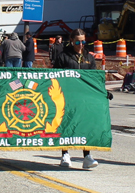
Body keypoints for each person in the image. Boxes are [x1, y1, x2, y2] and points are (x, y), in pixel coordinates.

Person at [53, 28, 99, 169]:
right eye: (78, 41)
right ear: (72, 41)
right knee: (67, 124)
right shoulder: (63, 56)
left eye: (83, 41)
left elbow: (94, 77)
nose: (81, 44)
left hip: (84, 97)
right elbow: (55, 75)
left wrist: (102, 91)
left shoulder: (89, 57)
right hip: (67, 96)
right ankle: (65, 154)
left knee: (84, 125)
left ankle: (87, 156)